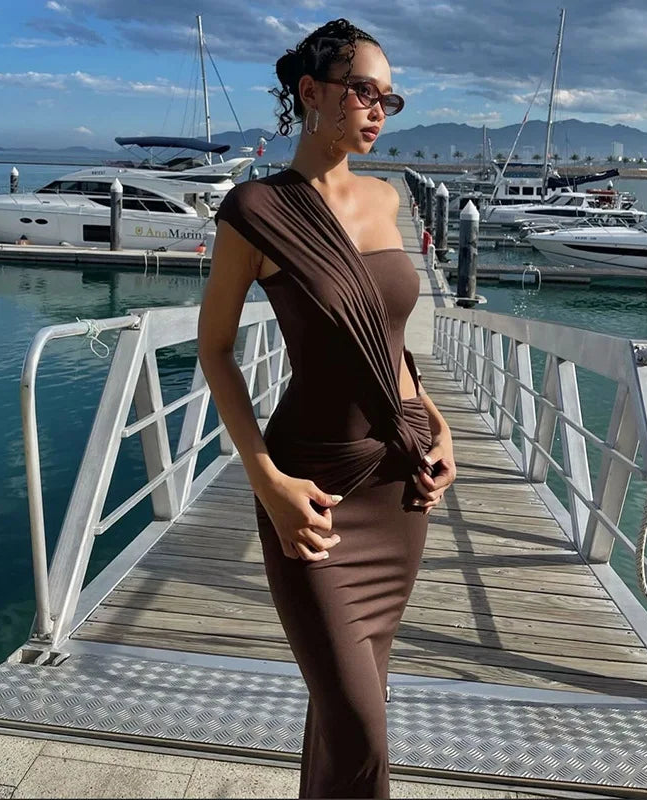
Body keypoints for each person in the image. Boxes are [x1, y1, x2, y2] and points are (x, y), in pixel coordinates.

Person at [198, 18, 456, 799]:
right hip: (311, 496)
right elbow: (214, 351)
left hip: (400, 485)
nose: (378, 109)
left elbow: (386, 337)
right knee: (360, 729)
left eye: (390, 97)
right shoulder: (254, 210)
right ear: (311, 93)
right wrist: (266, 480)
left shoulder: (388, 198)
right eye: (363, 92)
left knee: (349, 718)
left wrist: (437, 422)